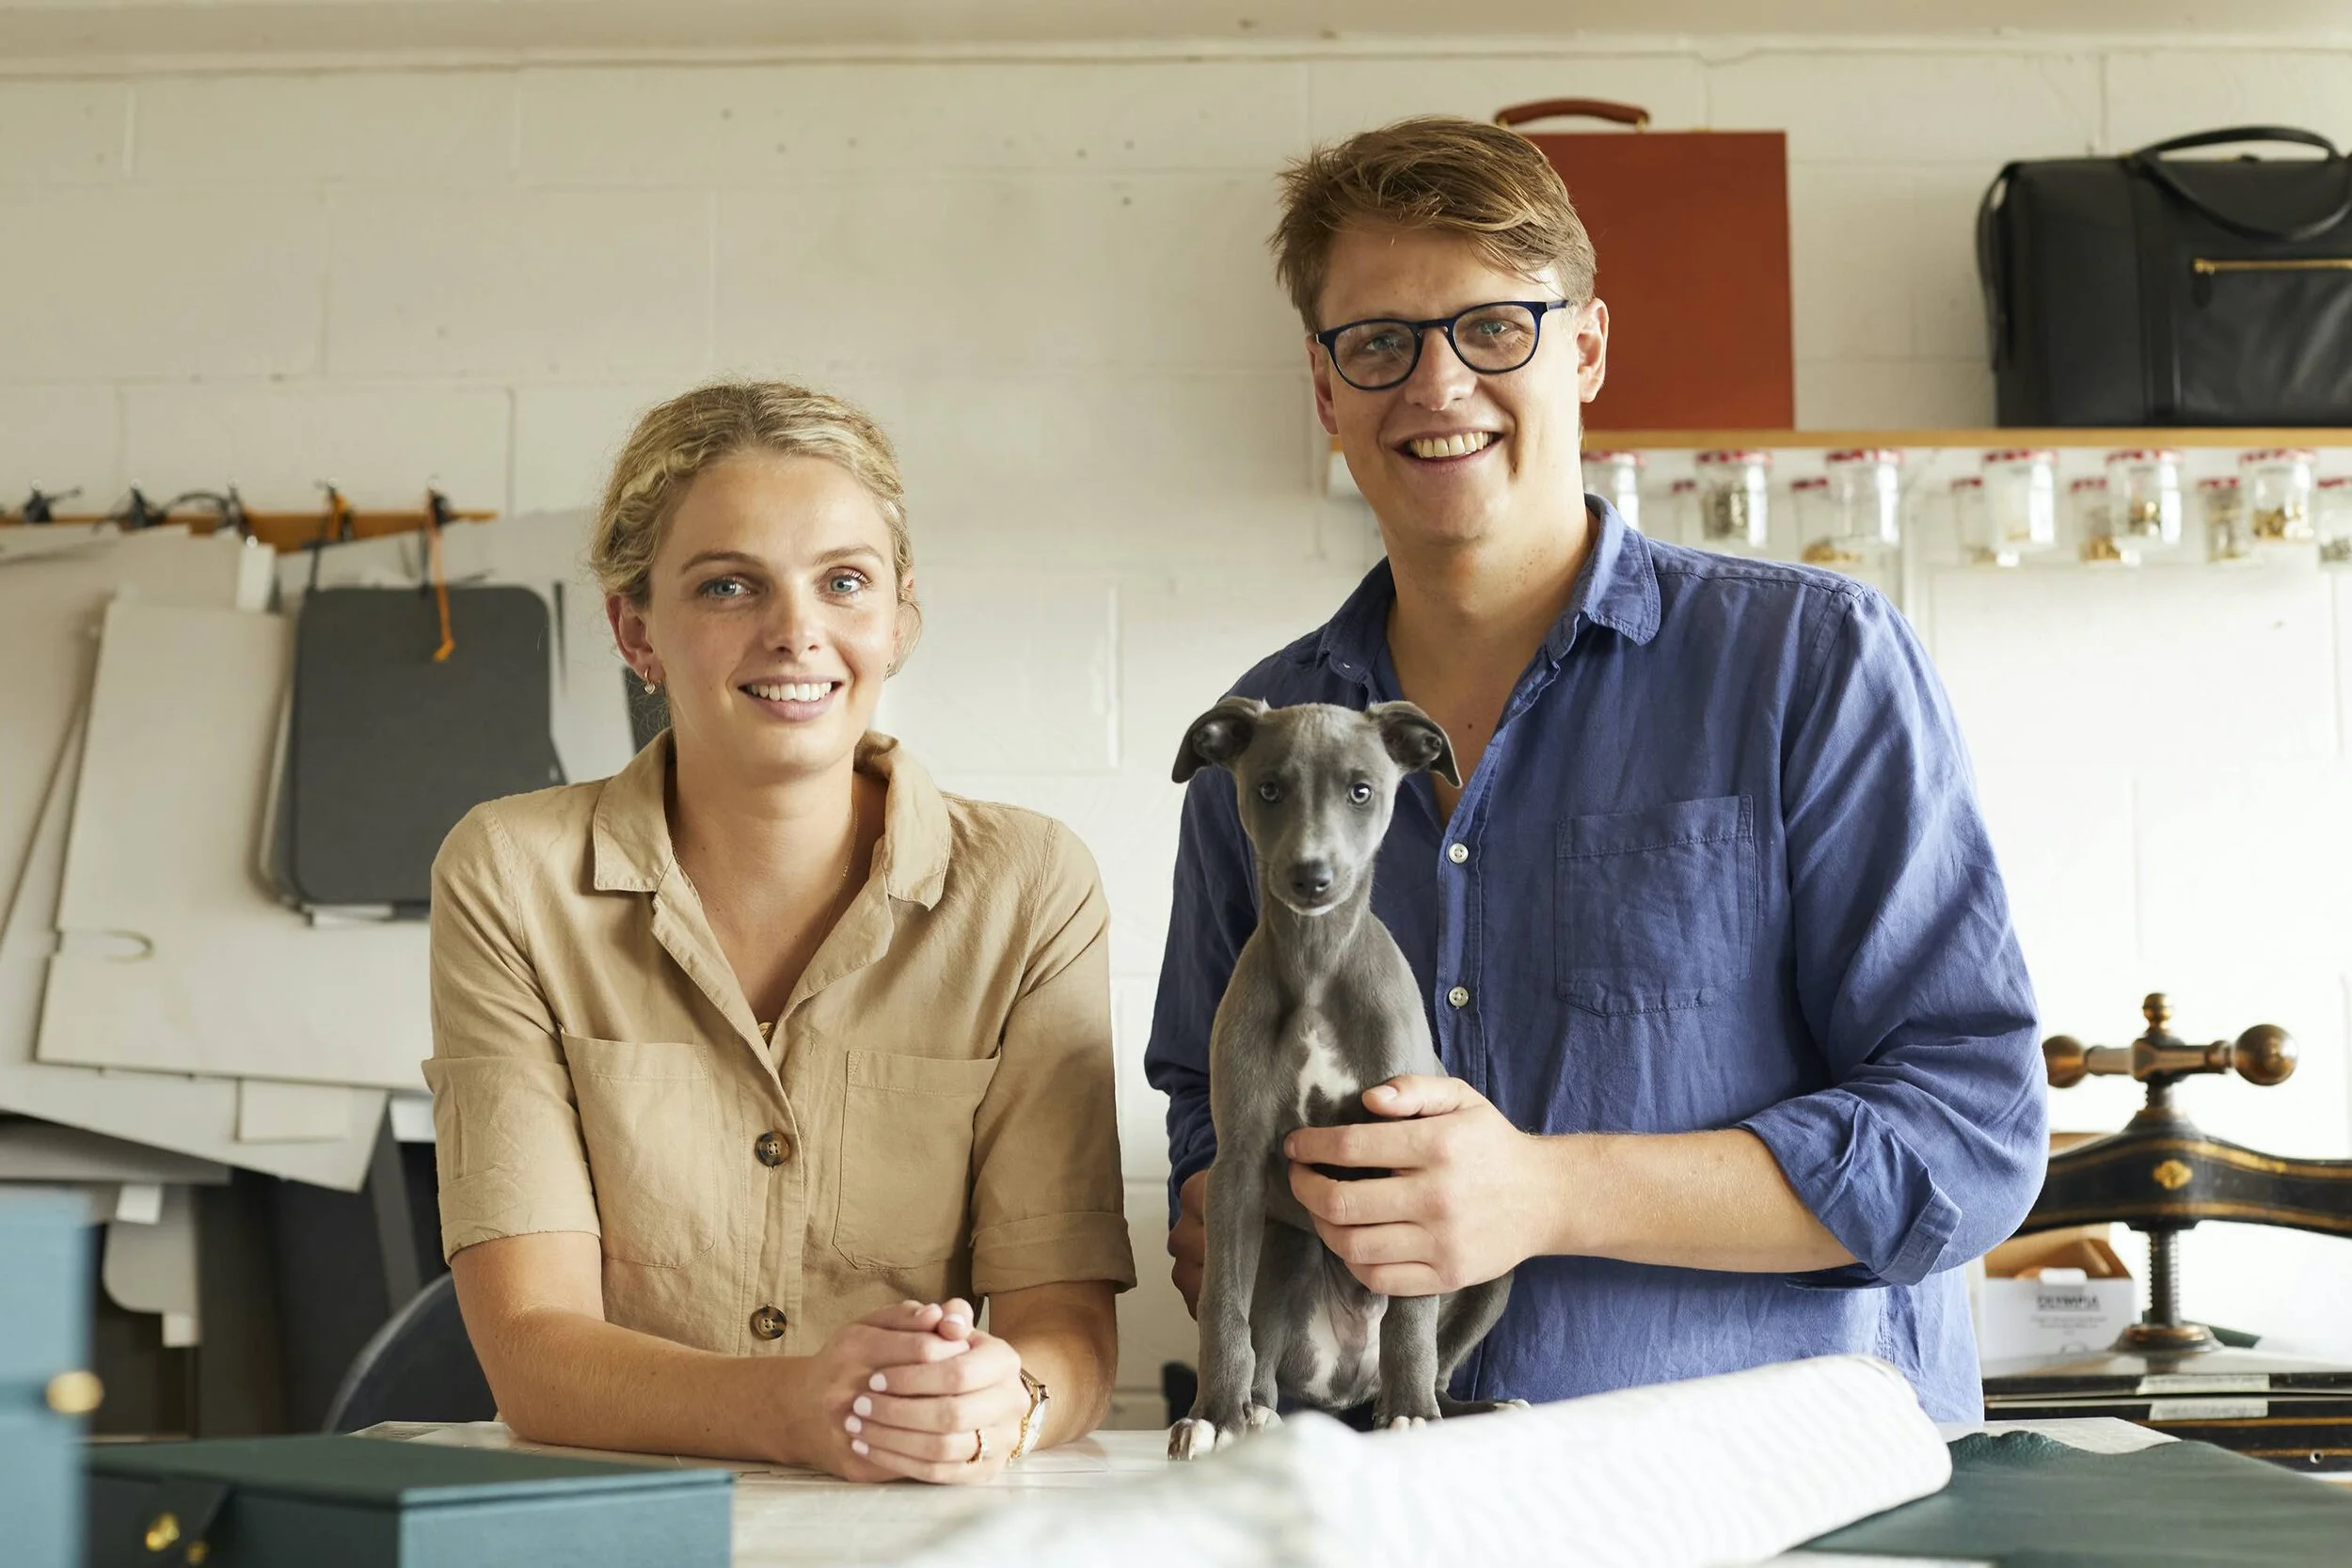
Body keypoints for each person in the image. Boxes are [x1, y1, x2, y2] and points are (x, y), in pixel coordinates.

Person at [1145, 119, 2046, 1421]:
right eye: (1380, 340)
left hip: (1781, 1497)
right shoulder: (1269, 744)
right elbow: (1202, 1102)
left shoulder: (1811, 661)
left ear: (1586, 348)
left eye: (1493, 328)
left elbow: (1969, 1128)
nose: (1438, 384)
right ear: (1327, 388)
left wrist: (1548, 1191)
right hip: (1383, 1494)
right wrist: (1220, 1202)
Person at [426, 381, 1134, 1481]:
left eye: (843, 581)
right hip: (622, 1518)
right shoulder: (513, 872)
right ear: (635, 628)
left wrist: (1006, 1402)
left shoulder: (1028, 886)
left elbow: (1067, 1335)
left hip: (911, 1520)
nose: (797, 631)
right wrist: (795, 1408)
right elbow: (532, 1350)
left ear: (898, 616)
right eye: (728, 585)